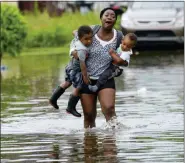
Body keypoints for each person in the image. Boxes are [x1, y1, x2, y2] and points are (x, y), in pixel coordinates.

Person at [71, 7, 124, 128]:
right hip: (86, 78)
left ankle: (112, 138)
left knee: (109, 108)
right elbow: (75, 34)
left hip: (106, 78)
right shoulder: (92, 30)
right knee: (89, 115)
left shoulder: (119, 37)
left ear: (115, 20)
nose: (109, 17)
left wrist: (119, 59)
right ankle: (90, 142)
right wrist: (75, 51)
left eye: (113, 16)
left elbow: (123, 57)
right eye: (106, 15)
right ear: (101, 18)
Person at [49, 25, 93, 117]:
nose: (89, 41)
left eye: (90, 38)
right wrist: (85, 77)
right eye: (86, 39)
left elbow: (74, 31)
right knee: (79, 86)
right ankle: (70, 107)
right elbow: (83, 65)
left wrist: (77, 33)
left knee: (67, 82)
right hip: (77, 69)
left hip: (70, 66)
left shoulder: (77, 37)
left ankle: (53, 98)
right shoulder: (81, 49)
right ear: (81, 38)